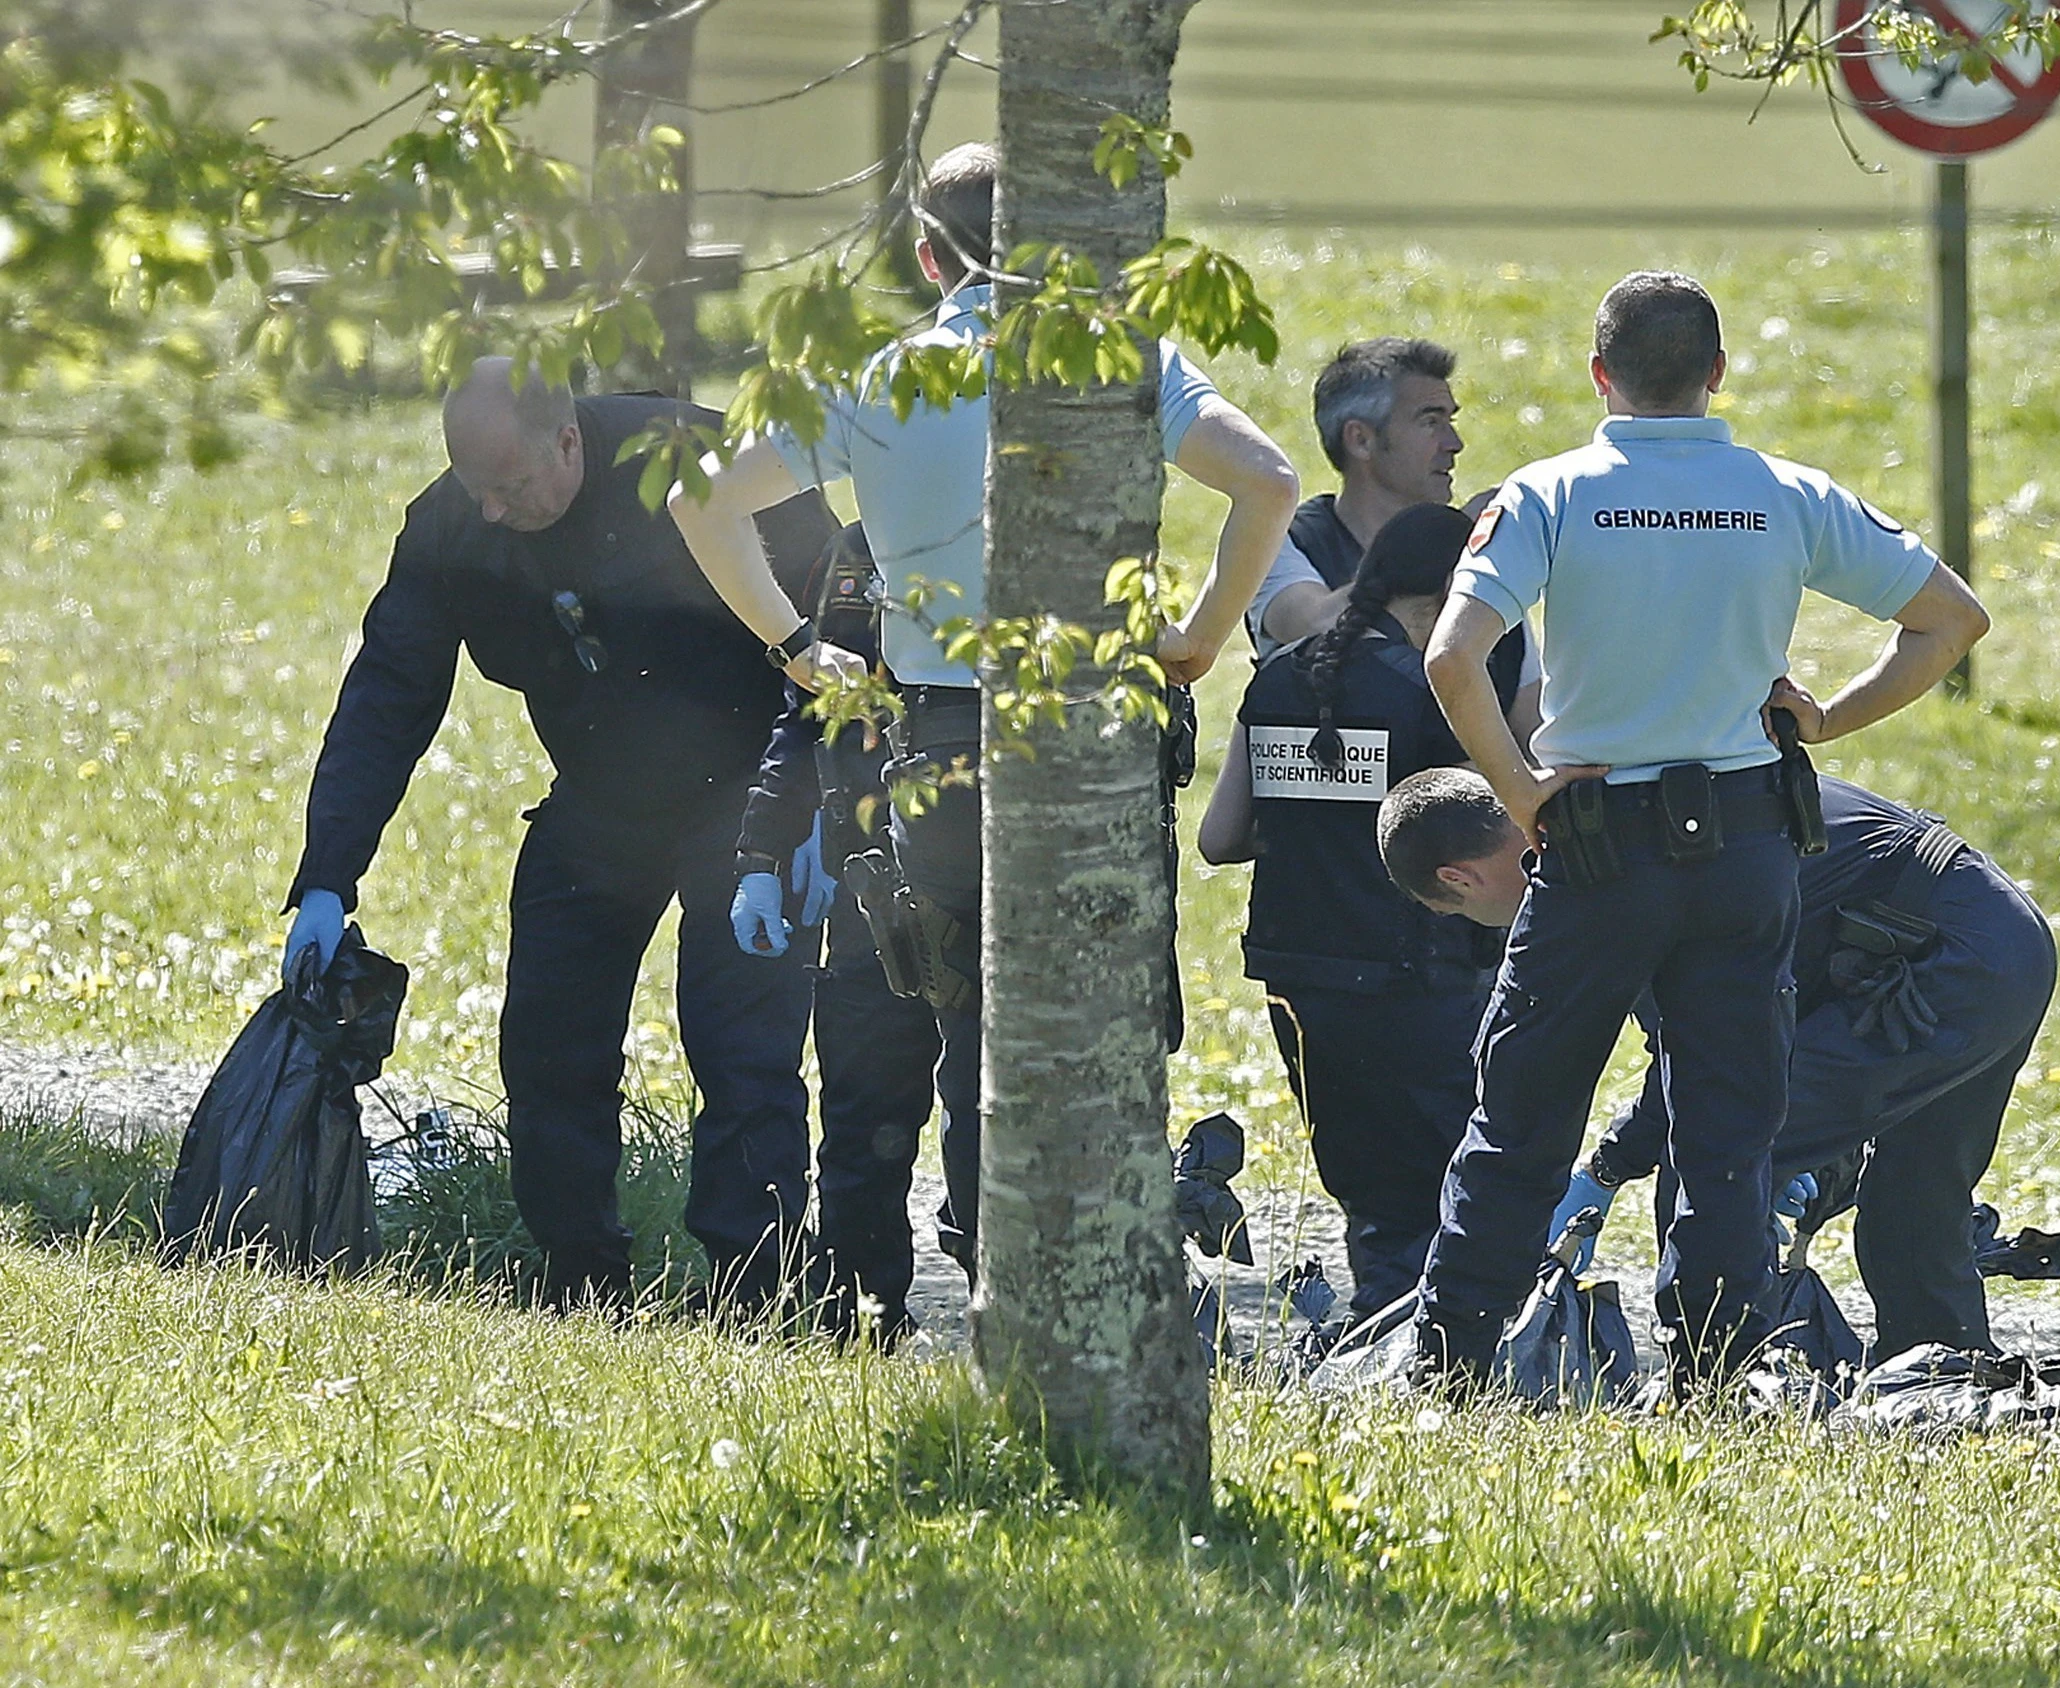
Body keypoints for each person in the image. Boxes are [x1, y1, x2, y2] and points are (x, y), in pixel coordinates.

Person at [666, 143, 1303, 1276]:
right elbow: (1269, 481)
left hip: (947, 744)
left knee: (967, 1020)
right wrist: (1200, 636)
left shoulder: (877, 377)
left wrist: (798, 644)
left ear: (926, 255)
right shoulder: (1123, 360)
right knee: (1103, 1029)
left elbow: (698, 496)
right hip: (1096, 744)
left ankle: (992, 1264)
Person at [1411, 270, 1991, 1386]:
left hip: (1594, 843)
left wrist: (1523, 791)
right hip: (1745, 845)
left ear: (1600, 375)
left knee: (1523, 1111)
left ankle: (1453, 1365)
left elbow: (1451, 658)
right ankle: (1718, 1374)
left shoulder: (1552, 494)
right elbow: (1951, 620)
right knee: (1729, 1135)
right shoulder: (1787, 492)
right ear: (1719, 373)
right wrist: (1827, 716)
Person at [283, 357, 838, 1312]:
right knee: (547, 1041)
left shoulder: (698, 462)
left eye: (512, 486)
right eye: (477, 491)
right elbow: (388, 695)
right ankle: (580, 1282)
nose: (495, 513)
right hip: (601, 797)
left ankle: (763, 1294)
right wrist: (329, 875)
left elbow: (844, 606)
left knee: (742, 1048)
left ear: (570, 440)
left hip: (750, 789)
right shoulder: (456, 529)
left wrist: (826, 794)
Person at [1380, 768, 2055, 1363]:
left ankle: (1726, 1374)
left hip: (1938, 965)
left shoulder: (1601, 865)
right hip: (2003, 939)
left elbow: (1694, 1059)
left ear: (1458, 879)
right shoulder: (1621, 796)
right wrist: (1610, 1167)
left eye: (1466, 910)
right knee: (1916, 1193)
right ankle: (1943, 1378)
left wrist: (1610, 1167)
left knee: (1718, 1153)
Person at [1194, 504, 1535, 1321]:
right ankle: (1452, 1360)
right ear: (1448, 599)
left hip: (1302, 982)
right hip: (1425, 976)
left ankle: (1382, 1331)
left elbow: (1219, 839)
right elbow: (1500, 830)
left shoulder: (1277, 679)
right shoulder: (1437, 694)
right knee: (1455, 1181)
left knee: (1373, 1197)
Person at [728, 524, 960, 1347]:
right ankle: (860, 1328)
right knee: (864, 1120)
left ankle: (1022, 1334)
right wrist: (761, 853)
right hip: (879, 894)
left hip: (1002, 885)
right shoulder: (867, 550)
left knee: (989, 1117)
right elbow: (809, 719)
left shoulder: (1038, 527)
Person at [1245, 338, 1467, 657]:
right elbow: (1314, 621)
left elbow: (1525, 695)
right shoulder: (1281, 545)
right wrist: (1433, 546)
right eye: (1431, 422)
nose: (1454, 443)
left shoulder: (1477, 548)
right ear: (1361, 440)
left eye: (1451, 421)